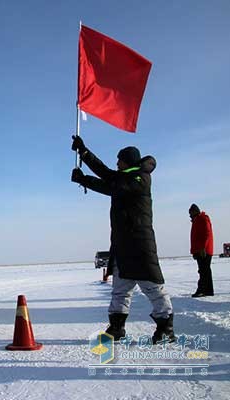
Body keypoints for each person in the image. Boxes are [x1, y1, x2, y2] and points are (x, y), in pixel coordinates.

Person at [70, 135, 175, 344]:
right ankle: (117, 328)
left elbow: (113, 186)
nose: (117, 164)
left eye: (119, 160)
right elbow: (108, 175)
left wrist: (84, 179)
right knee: (120, 291)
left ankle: (166, 328)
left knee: (153, 289)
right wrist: (84, 152)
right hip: (122, 245)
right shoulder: (125, 176)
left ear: (128, 161)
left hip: (140, 245)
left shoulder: (140, 177)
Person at [189, 204, 214, 297]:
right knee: (205, 270)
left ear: (195, 211)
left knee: (203, 270)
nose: (190, 215)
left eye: (191, 213)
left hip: (204, 250)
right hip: (200, 249)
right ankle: (208, 290)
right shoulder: (196, 220)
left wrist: (203, 248)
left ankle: (202, 290)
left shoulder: (202, 219)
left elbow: (206, 234)